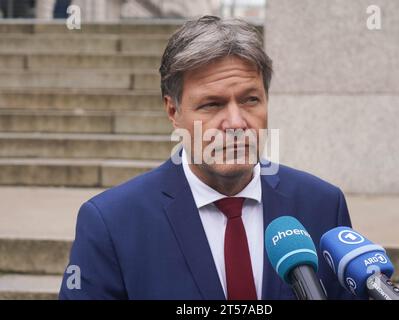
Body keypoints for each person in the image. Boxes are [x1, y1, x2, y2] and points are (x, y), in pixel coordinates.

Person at [59, 15, 355, 300]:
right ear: (173, 111)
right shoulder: (112, 223)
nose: (236, 123)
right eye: (212, 104)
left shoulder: (324, 206)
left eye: (250, 99)